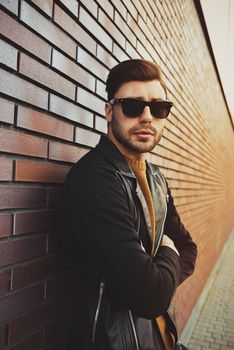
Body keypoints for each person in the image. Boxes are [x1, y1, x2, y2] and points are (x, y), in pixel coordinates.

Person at [60, 59, 197, 350]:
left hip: (161, 339)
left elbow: (189, 249)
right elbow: (150, 298)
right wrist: (165, 259)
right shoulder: (94, 181)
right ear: (109, 111)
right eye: (133, 106)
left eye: (159, 108)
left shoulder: (157, 179)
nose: (147, 117)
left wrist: (159, 278)